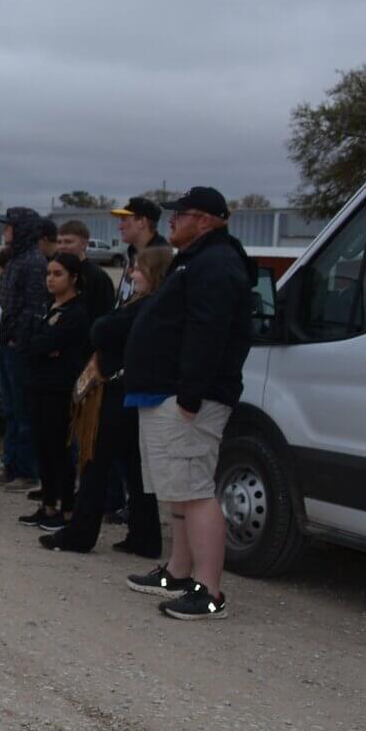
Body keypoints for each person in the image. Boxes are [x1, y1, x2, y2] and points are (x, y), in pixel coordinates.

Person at [120, 187, 254, 619]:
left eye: (182, 215)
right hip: (165, 392)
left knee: (195, 490)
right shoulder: (194, 259)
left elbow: (208, 331)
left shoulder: (216, 263)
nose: (172, 221)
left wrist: (191, 394)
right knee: (178, 489)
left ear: (207, 220)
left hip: (190, 398)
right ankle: (178, 570)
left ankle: (210, 590)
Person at [41, 243, 172, 555]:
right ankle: (144, 535)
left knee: (95, 461)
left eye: (138, 269)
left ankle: (80, 534)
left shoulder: (148, 306)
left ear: (154, 273)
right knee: (133, 466)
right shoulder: (148, 304)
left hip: (118, 392)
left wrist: (104, 327)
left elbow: (102, 330)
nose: (131, 273)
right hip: (127, 392)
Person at [19, 253, 94, 530]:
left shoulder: (76, 313)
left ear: (73, 277)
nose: (51, 279)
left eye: (58, 273)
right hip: (38, 385)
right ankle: (47, 505)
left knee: (58, 449)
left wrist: (45, 347)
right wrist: (43, 348)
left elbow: (49, 343)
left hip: (59, 390)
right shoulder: (50, 308)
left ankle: (67, 510)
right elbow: (30, 344)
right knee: (42, 447)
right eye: (49, 273)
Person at [0, 208, 50, 488]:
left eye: (10, 227)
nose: (5, 232)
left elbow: (35, 307)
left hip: (19, 347)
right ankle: (10, 464)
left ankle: (26, 471)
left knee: (23, 409)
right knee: (10, 409)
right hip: (4, 343)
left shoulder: (34, 262)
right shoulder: (14, 260)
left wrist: (19, 338)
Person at [56, 219, 118, 316]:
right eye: (59, 242)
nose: (62, 246)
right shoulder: (56, 273)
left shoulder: (98, 277)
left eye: (68, 242)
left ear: (84, 244)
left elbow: (104, 315)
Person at [111, 196, 162, 304]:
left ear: (142, 222)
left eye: (124, 220)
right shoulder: (132, 252)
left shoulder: (160, 258)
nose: (119, 227)